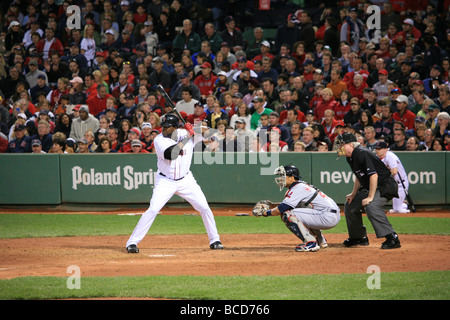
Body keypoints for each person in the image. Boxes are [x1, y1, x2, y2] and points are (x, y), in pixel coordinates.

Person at [126, 113, 223, 253]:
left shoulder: (185, 132)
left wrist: (197, 128)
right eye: (163, 126)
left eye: (168, 127)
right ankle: (132, 242)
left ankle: (215, 240)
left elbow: (211, 134)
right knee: (153, 209)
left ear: (176, 127)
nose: (164, 129)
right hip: (165, 181)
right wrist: (189, 136)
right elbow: (171, 154)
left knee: (204, 207)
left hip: (186, 180)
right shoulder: (160, 140)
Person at [335, 132, 401, 249]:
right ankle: (359, 238)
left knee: (372, 206)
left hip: (386, 185)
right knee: (351, 204)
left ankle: (392, 237)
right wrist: (353, 193)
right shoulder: (350, 157)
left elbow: (373, 175)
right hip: (374, 187)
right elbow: (359, 176)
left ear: (350, 145)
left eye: (341, 145)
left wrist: (370, 197)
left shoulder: (362, 153)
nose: (339, 148)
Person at [255, 164, 340, 252]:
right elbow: (291, 205)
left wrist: (265, 213)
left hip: (326, 216)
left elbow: (282, 208)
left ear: (292, 178)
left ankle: (310, 242)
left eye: (283, 176)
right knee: (299, 212)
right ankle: (320, 240)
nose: (280, 179)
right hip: (329, 214)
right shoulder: (301, 186)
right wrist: (272, 205)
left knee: (287, 214)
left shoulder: (298, 188)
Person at [374, 141, 410, 214]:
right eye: (376, 148)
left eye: (379, 149)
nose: (377, 150)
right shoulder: (377, 158)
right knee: (395, 210)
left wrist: (384, 172)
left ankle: (404, 205)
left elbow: (394, 171)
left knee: (397, 210)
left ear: (386, 149)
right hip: (392, 185)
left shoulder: (390, 156)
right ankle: (402, 204)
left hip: (400, 184)